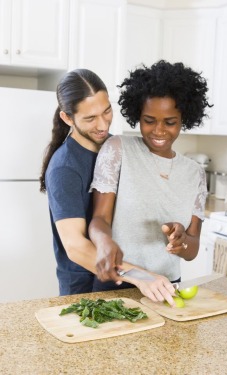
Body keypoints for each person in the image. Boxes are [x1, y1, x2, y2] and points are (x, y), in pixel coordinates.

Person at [39, 68, 176, 305]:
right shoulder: (64, 168)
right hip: (86, 291)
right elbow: (76, 247)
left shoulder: (116, 147)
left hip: (128, 283)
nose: (103, 125)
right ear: (67, 118)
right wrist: (139, 275)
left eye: (106, 111)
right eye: (90, 118)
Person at [88, 60, 211, 301]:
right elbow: (99, 218)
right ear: (138, 116)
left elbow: (192, 248)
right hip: (119, 284)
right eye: (149, 120)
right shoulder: (118, 149)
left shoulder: (195, 173)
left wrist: (182, 241)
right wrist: (103, 243)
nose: (158, 130)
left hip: (167, 290)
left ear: (183, 118)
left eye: (170, 122)